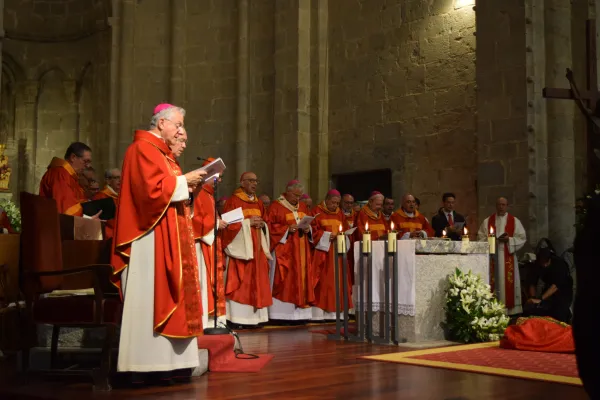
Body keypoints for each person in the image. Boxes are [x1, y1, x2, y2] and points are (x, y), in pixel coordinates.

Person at [111, 103, 207, 383]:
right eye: (178, 125)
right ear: (161, 122)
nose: (181, 132)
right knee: (150, 297)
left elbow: (168, 189)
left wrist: (188, 186)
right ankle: (145, 366)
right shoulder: (141, 149)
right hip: (148, 239)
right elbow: (148, 194)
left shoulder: (164, 155)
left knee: (171, 293)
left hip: (168, 234)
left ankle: (169, 364)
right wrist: (183, 181)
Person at [221, 172, 272, 327]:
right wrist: (247, 223)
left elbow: (266, 221)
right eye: (250, 181)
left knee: (259, 282)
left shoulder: (259, 203)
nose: (254, 184)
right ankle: (238, 319)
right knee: (241, 283)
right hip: (242, 251)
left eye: (256, 181)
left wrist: (263, 225)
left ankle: (256, 319)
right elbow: (227, 227)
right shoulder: (233, 201)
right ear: (242, 182)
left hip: (257, 250)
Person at [267, 180, 317, 322]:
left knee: (302, 279)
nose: (297, 199)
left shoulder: (302, 206)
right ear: (287, 192)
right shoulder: (276, 206)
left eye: (300, 196)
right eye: (295, 195)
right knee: (285, 281)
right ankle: (282, 315)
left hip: (301, 248)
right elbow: (270, 227)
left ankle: (302, 315)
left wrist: (309, 229)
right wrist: (286, 229)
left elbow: (310, 223)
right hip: (285, 250)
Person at [192, 158, 228, 330]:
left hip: (211, 243)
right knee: (203, 282)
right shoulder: (198, 193)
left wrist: (218, 222)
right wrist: (214, 224)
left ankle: (213, 318)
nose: (219, 181)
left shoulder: (209, 195)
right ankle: (204, 320)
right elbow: (192, 220)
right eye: (217, 177)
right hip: (201, 246)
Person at [476, 197, 526, 315]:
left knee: (506, 283)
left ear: (507, 206)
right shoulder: (488, 221)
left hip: (508, 256)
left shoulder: (514, 221)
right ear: (496, 206)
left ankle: (510, 311)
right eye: (499, 205)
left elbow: (522, 238)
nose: (501, 207)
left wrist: (509, 239)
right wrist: (491, 240)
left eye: (503, 205)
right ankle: (493, 309)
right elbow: (480, 238)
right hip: (492, 258)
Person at [311, 189, 352, 320]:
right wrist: (328, 236)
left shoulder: (340, 214)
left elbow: (345, 230)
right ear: (327, 200)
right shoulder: (316, 211)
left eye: (337, 203)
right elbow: (312, 232)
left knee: (338, 283)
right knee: (324, 284)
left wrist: (343, 236)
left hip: (338, 254)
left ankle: (336, 314)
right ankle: (319, 314)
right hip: (323, 254)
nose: (335, 206)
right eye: (333, 203)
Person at [39, 142, 100, 217]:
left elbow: (79, 201)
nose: (88, 166)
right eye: (85, 161)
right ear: (73, 157)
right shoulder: (60, 174)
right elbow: (66, 209)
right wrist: (88, 217)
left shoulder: (71, 176)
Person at [524, 248, 573, 323]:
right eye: (542, 262)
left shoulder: (559, 264)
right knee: (533, 311)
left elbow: (555, 286)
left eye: (546, 262)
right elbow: (532, 282)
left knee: (558, 314)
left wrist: (540, 299)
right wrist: (532, 299)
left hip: (563, 291)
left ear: (550, 259)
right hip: (548, 290)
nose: (544, 264)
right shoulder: (537, 265)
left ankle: (567, 314)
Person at [92, 168, 121, 239]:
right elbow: (101, 222)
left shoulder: (122, 196)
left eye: (121, 177)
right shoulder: (101, 197)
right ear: (108, 181)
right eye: (116, 178)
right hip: (109, 236)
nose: (120, 180)